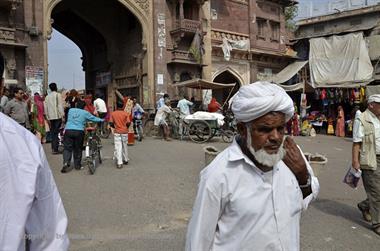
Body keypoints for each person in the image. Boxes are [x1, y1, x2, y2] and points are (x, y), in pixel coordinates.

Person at [185, 82, 319, 251]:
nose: (276, 137)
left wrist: (302, 176)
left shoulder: (292, 156)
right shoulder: (218, 175)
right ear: (243, 129)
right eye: (265, 129)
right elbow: (198, 243)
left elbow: (308, 196)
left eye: (280, 128)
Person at [0, 53, 69, 250]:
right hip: (22, 129)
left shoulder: (35, 105)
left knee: (53, 135)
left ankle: (55, 146)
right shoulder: (24, 144)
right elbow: (50, 238)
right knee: (53, 133)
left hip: (29, 125)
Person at [352, 94, 380, 235]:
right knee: (376, 192)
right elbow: (357, 142)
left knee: (378, 193)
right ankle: (377, 223)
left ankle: (365, 205)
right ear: (371, 105)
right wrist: (355, 161)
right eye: (379, 104)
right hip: (370, 158)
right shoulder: (361, 118)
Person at [62, 100, 103, 173]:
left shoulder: (71, 110)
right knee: (78, 148)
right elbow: (93, 118)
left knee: (67, 148)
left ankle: (66, 163)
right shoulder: (85, 113)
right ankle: (77, 165)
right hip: (79, 131)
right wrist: (101, 120)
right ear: (84, 107)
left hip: (68, 130)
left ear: (76, 105)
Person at [110, 101, 131, 168]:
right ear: (123, 106)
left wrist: (115, 127)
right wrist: (126, 128)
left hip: (117, 132)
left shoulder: (113, 114)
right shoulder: (125, 113)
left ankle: (119, 162)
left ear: (116, 106)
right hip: (124, 131)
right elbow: (128, 123)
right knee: (124, 145)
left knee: (118, 147)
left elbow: (111, 123)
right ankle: (126, 159)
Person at [44, 82, 64, 154]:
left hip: (50, 118)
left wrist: (47, 117)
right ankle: (55, 149)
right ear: (56, 87)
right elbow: (60, 106)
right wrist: (63, 115)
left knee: (53, 133)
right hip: (57, 117)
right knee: (57, 132)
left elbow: (45, 108)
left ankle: (54, 148)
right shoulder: (58, 95)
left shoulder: (47, 97)